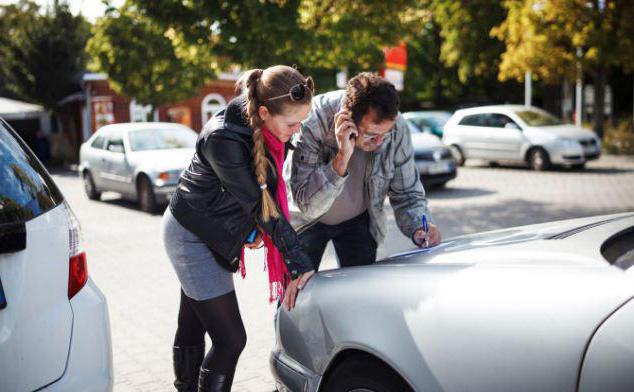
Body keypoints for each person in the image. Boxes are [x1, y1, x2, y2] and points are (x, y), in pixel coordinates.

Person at [161, 65, 315, 392]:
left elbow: (260, 196)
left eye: (300, 121)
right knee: (231, 340)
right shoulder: (222, 139)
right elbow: (258, 204)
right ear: (263, 112)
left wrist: (251, 232)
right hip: (192, 236)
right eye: (291, 123)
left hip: (213, 229)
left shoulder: (269, 128)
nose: (297, 130)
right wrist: (298, 261)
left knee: (192, 323)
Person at [289, 72, 442, 270]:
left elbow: (407, 193)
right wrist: (342, 157)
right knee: (296, 295)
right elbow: (307, 206)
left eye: (384, 134)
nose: (380, 141)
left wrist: (420, 226)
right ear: (347, 118)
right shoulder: (312, 120)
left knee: (359, 296)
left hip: (359, 220)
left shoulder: (397, 127)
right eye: (371, 134)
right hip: (306, 222)